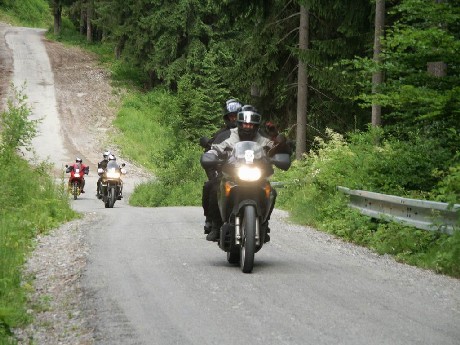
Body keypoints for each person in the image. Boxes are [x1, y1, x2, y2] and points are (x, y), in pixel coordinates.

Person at [204, 105, 290, 242]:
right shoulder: (226, 135)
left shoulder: (263, 137)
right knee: (215, 187)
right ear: (239, 123)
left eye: (251, 124)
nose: (247, 127)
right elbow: (213, 150)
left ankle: (263, 223)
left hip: (257, 175)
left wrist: (278, 143)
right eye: (245, 124)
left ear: (256, 125)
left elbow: (276, 150)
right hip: (231, 174)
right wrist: (212, 156)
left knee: (271, 191)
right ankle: (216, 226)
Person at [201, 99, 242, 234]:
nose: (233, 119)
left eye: (236, 115)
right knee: (212, 187)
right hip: (226, 171)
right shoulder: (221, 134)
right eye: (231, 116)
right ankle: (214, 224)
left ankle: (262, 222)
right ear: (227, 117)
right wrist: (213, 173)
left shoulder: (249, 133)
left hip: (246, 170)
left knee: (267, 188)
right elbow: (210, 152)